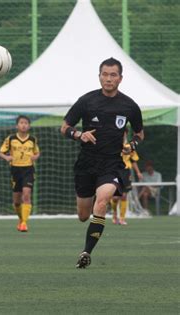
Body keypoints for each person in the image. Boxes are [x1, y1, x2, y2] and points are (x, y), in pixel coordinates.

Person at [60, 57, 144, 269]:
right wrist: (79, 134)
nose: (108, 79)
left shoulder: (130, 106)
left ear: (120, 78)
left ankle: (86, 252)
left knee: (103, 200)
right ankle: (87, 236)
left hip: (112, 164)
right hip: (86, 164)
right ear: (99, 76)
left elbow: (140, 134)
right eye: (105, 74)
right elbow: (64, 127)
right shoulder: (86, 101)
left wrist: (131, 145)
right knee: (83, 215)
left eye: (113, 75)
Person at [0, 115, 40, 232]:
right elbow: (1, 152)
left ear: (29, 126)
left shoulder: (32, 139)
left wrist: (34, 157)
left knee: (26, 195)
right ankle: (21, 219)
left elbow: (37, 153)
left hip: (28, 169)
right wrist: (7, 157)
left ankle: (24, 223)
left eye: (26, 123)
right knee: (17, 201)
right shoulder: (11, 138)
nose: (23, 125)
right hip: (15, 170)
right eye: (21, 123)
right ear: (17, 125)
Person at [110, 129, 143, 225]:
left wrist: (138, 172)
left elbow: (133, 161)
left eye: (123, 133)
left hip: (126, 172)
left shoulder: (130, 146)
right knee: (115, 197)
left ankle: (122, 218)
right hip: (115, 171)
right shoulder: (112, 145)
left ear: (126, 134)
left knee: (124, 196)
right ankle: (114, 214)